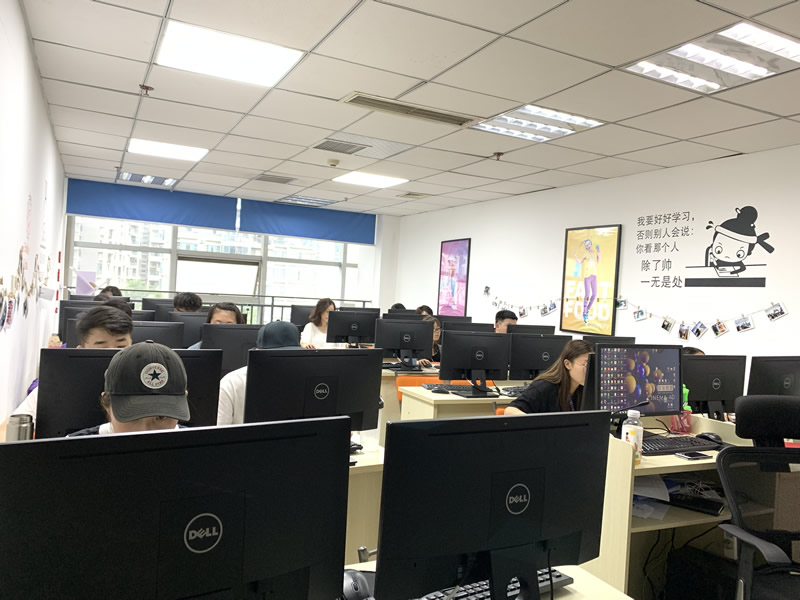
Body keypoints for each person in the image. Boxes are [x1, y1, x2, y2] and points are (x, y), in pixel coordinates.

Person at [2, 305, 134, 433]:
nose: (114, 356)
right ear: (81, 351)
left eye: (121, 347)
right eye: (102, 348)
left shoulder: (142, 382)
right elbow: (7, 430)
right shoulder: (56, 386)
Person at [70, 341, 190, 435]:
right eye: (132, 417)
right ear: (106, 404)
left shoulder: (199, 448)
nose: (145, 432)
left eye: (161, 417)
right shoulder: (70, 450)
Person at [217, 321, 301, 426]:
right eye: (276, 356)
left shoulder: (301, 381)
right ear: (257, 352)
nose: (283, 362)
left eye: (290, 356)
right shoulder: (232, 383)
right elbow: (219, 430)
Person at [504, 340, 593, 415]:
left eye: (592, 365)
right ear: (568, 364)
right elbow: (509, 411)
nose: (590, 370)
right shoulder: (544, 387)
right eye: (585, 364)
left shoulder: (584, 390)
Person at [574, 239, 600, 324]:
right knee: (587, 294)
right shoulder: (585, 254)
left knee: (595, 294)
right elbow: (580, 262)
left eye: (588, 244)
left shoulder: (595, 252)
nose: (587, 245)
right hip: (587, 276)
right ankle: (585, 312)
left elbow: (598, 262)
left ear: (591, 244)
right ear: (585, 247)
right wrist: (575, 256)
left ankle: (587, 310)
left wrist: (599, 254)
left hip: (594, 275)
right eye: (586, 245)